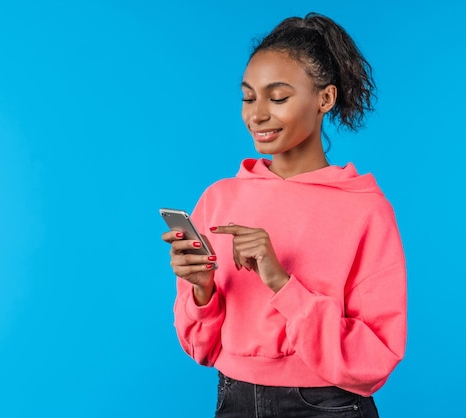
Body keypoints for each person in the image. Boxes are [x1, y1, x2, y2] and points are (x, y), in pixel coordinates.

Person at [161, 12, 406, 418]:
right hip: (233, 399)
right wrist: (202, 290)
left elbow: (376, 359)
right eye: (248, 97)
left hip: (328, 404)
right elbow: (201, 349)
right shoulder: (219, 199)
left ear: (324, 99)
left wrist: (281, 282)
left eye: (277, 98)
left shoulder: (364, 210)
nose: (256, 115)